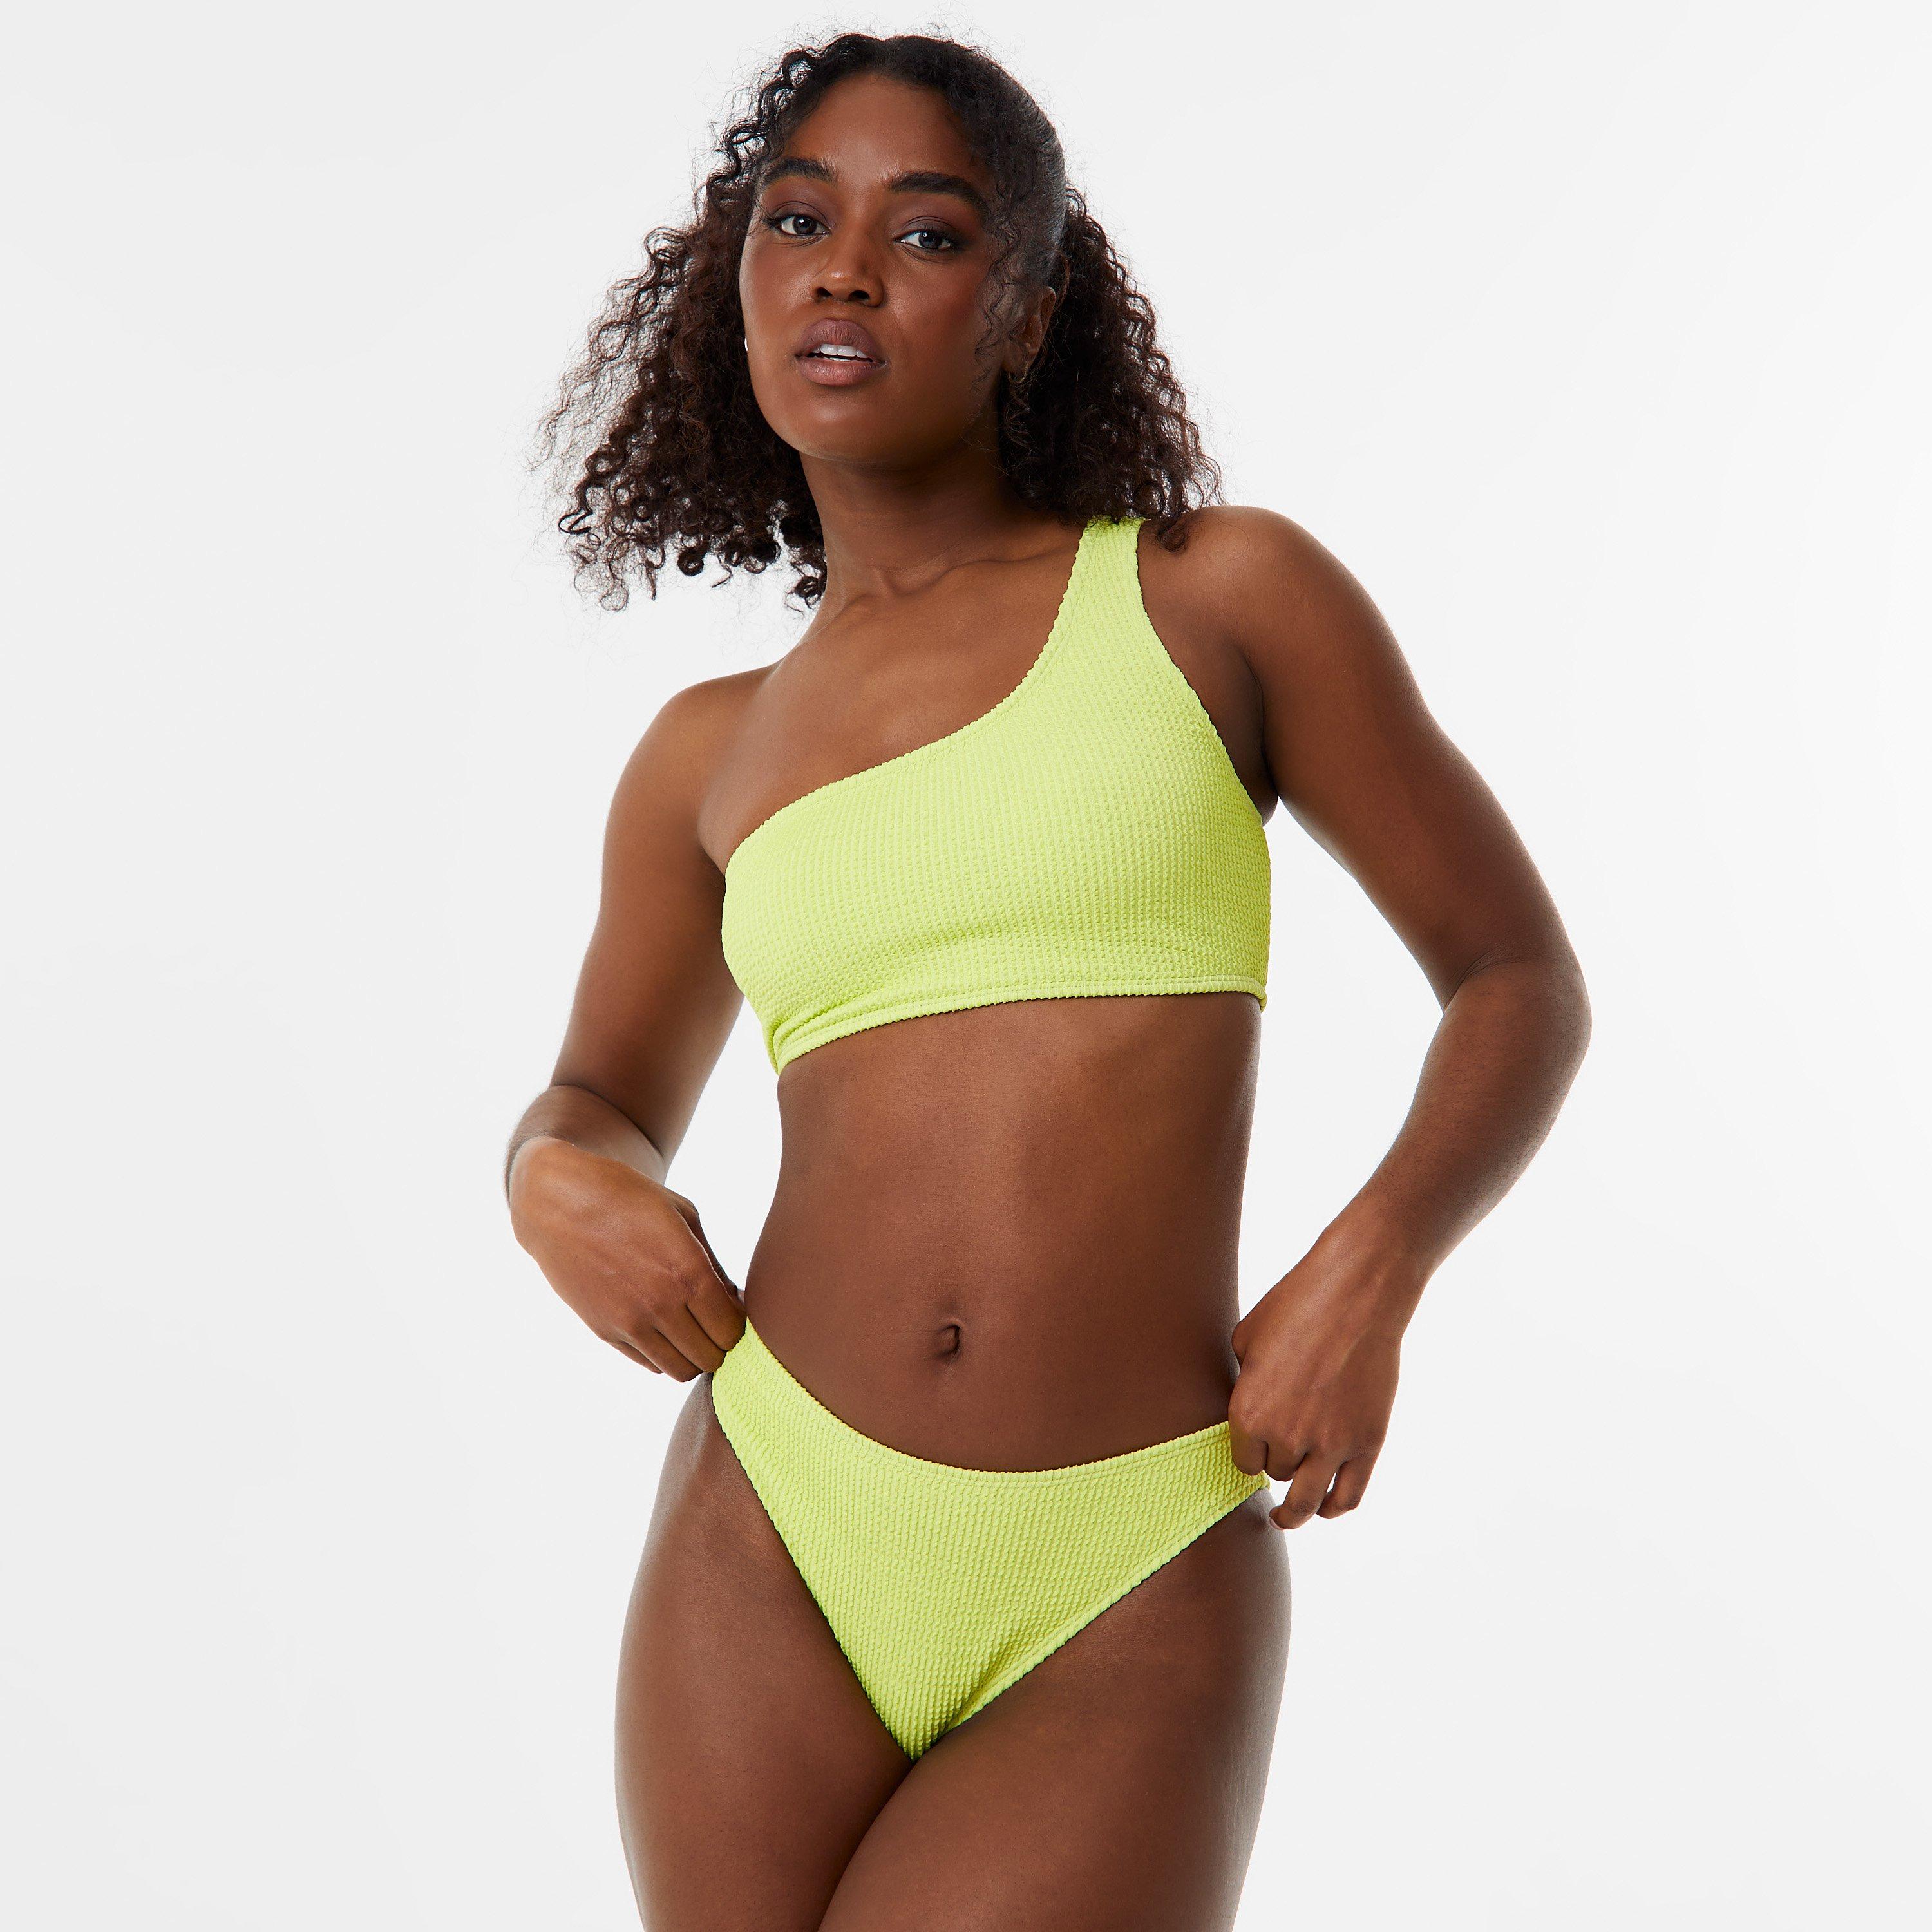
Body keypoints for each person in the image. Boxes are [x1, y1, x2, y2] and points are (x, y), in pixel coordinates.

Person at [504, 30, 1590, 1931]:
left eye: (926, 233)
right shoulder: (705, 755)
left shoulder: (1213, 600)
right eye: (796, 223)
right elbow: (598, 1097)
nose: (845, 272)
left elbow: (1514, 975)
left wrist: (1377, 1265)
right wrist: (550, 1179)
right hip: (773, 1522)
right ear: (733, 290)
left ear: (1028, 310)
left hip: (1128, 1553)